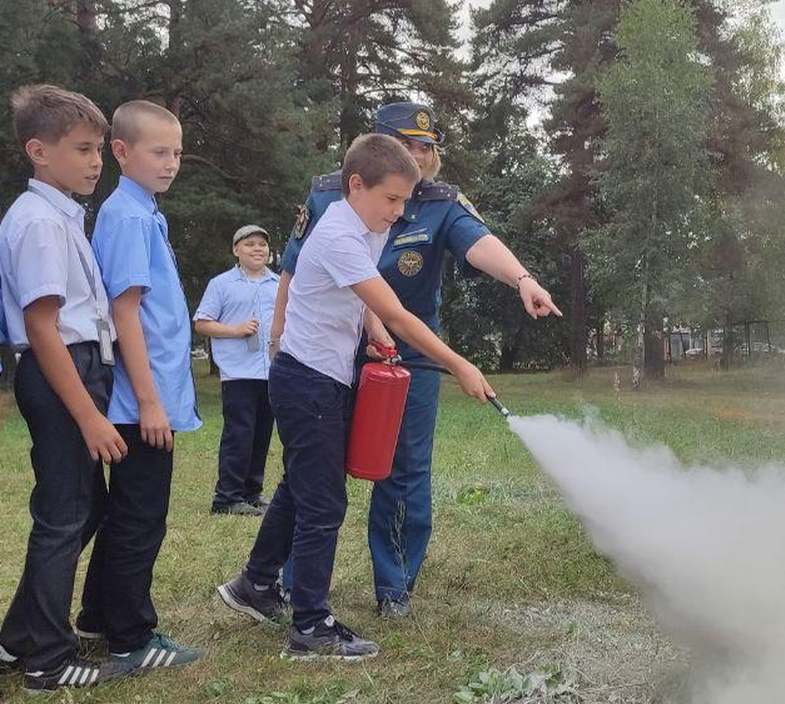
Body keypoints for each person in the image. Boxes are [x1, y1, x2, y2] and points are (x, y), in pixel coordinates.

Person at [271, 102, 562, 617]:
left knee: (404, 470)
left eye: (427, 147)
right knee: (314, 469)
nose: (418, 156)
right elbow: (293, 270)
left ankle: (394, 584)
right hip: (330, 355)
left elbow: (479, 241)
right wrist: (278, 337)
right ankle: (292, 581)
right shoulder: (330, 193)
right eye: (406, 144)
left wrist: (522, 279)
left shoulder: (440, 202)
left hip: (410, 359)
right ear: (375, 150)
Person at [217, 133, 496, 660]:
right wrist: (458, 363)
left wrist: (370, 326)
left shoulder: (366, 226)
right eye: (391, 200)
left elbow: (362, 298)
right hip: (309, 381)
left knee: (300, 490)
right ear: (355, 185)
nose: (399, 213)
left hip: (320, 376)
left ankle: (254, 584)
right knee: (323, 504)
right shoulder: (342, 234)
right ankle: (310, 627)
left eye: (405, 202)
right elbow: (395, 310)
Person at [0, 84, 133, 692]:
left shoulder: (60, 215)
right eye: (82, 149)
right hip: (62, 371)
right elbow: (42, 327)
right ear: (38, 150)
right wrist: (88, 416)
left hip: (81, 365)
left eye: (99, 149)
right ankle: (46, 662)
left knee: (85, 507)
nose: (94, 161)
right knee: (64, 515)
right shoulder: (38, 224)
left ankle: (19, 637)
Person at [75, 99, 202, 671]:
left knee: (129, 509)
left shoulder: (145, 210)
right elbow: (125, 312)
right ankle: (131, 637)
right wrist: (149, 402)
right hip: (138, 401)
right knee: (140, 516)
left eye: (176, 152)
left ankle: (100, 616)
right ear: (121, 152)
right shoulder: (127, 216)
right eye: (158, 151)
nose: (171, 162)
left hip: (152, 395)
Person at [194, 225, 279, 516]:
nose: (258, 249)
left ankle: (252, 492)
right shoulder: (221, 284)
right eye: (250, 244)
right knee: (239, 434)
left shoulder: (278, 284)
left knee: (261, 434)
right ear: (236, 250)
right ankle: (226, 498)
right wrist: (236, 330)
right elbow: (202, 323)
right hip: (239, 372)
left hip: (270, 371)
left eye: (262, 245)